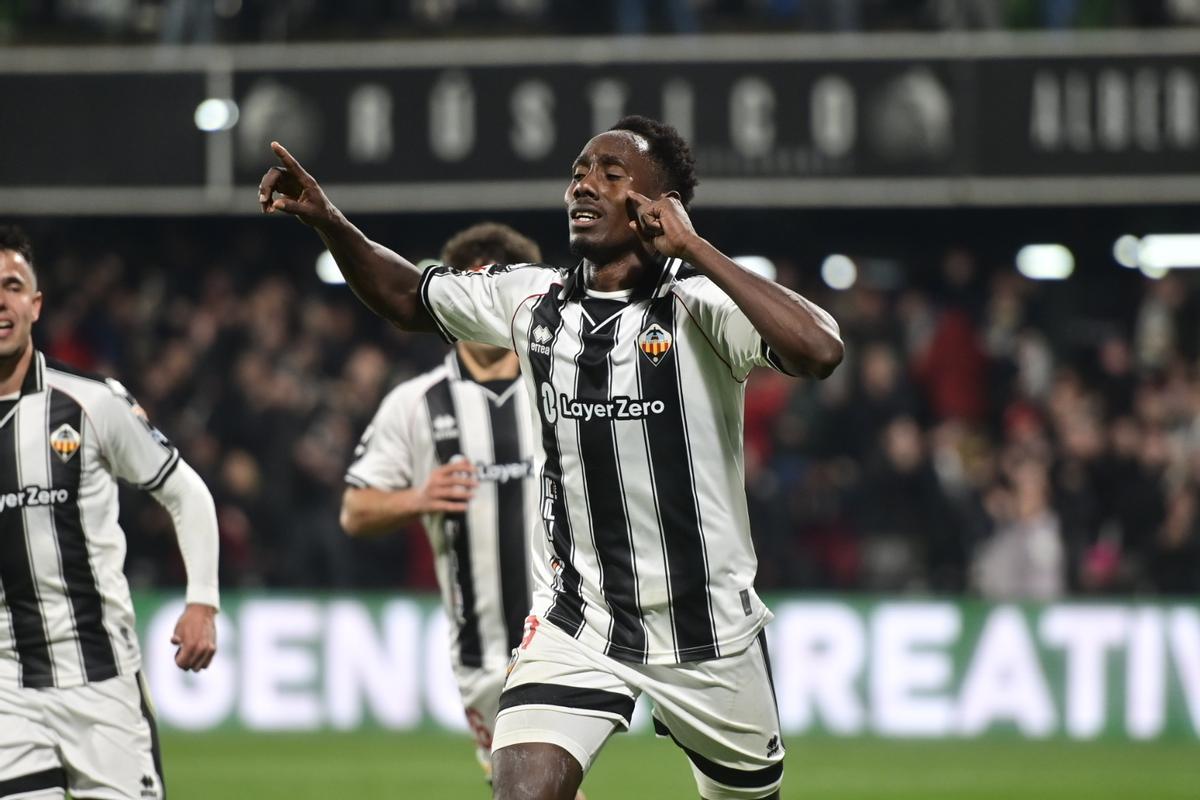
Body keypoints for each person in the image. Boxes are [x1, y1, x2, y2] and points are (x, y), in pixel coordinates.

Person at [260, 115, 843, 800]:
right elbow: (405, 297)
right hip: (580, 619)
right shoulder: (529, 300)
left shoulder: (701, 304)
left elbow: (819, 350)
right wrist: (327, 218)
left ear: (660, 204)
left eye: (610, 174)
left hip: (707, 632)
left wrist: (696, 247)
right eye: (578, 173)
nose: (584, 185)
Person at [0, 225, 219, 800]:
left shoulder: (92, 403)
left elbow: (186, 492)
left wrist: (202, 602)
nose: (1, 300)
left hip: (101, 680)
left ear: (35, 304)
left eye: (13, 285)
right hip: (6, 693)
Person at [339, 222, 547, 785]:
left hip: (571, 635)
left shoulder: (559, 382)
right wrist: (418, 497)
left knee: (536, 786)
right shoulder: (415, 403)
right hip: (481, 652)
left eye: (494, 290)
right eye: (468, 289)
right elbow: (355, 511)